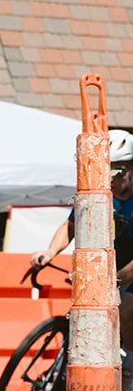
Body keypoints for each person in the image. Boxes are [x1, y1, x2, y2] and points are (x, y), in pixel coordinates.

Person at [33, 129, 133, 359]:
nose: (104, 176)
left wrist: (114, 280)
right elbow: (70, 227)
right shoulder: (100, 192)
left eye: (111, 169)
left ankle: (128, 370)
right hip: (119, 255)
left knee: (126, 308)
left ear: (127, 170)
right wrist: (50, 252)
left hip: (129, 264)